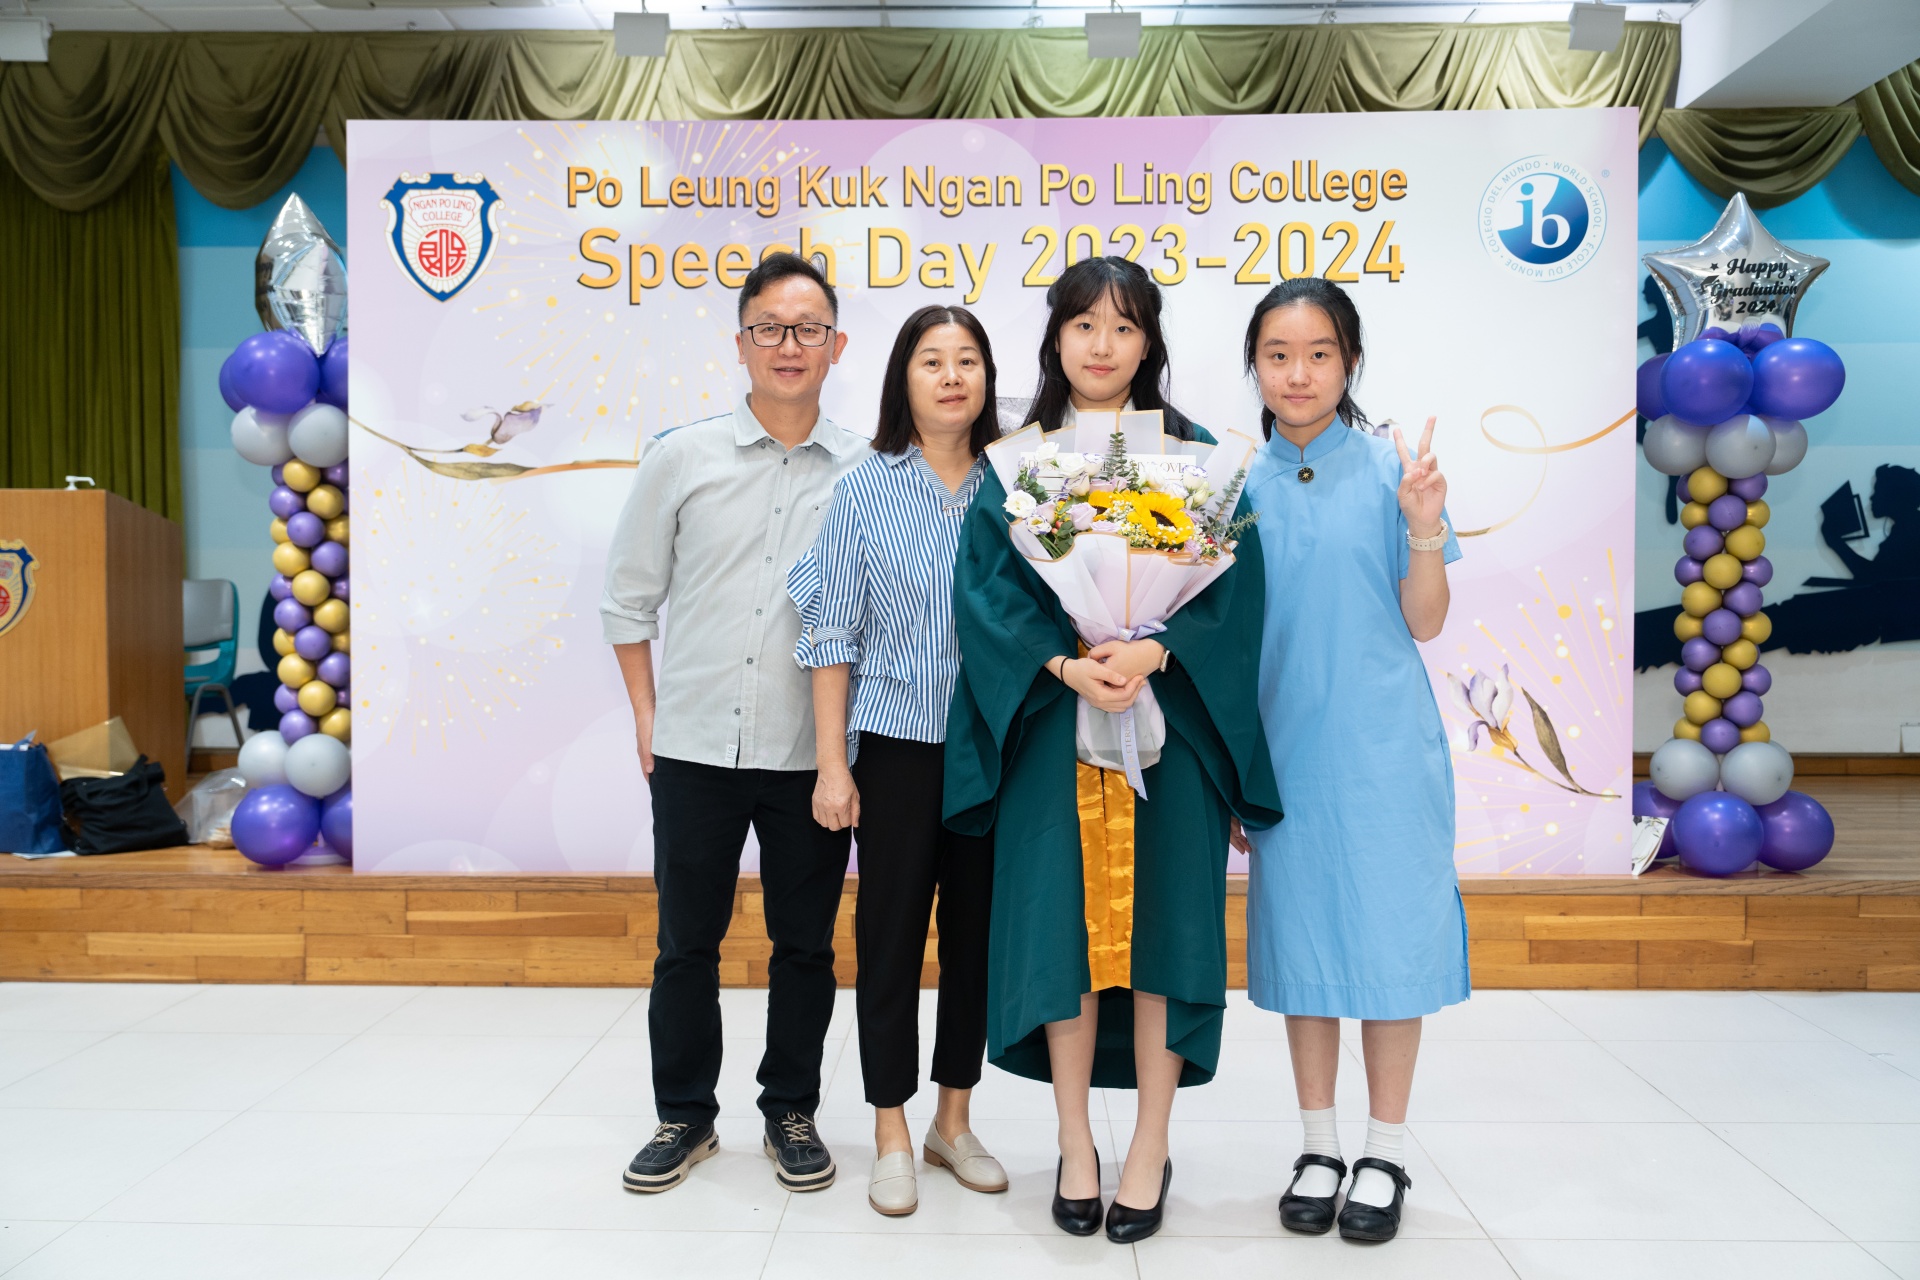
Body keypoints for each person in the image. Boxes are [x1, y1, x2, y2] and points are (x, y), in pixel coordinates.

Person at [945, 256, 1282, 1244]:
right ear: (1055, 338)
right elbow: (986, 595)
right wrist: (1062, 664)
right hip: (1055, 728)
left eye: (1124, 326)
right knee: (1062, 931)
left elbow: (1235, 596)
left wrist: (1155, 649)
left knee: (1167, 929)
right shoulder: (1018, 462)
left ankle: (1148, 1144)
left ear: (1150, 342)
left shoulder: (1198, 461)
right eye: (1084, 325)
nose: (1102, 345)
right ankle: (1073, 1143)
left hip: (1168, 731)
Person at [600, 252, 864, 1196]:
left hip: (811, 754)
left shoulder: (868, 471)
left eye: (808, 330)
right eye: (769, 329)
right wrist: (647, 716)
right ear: (741, 342)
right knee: (686, 946)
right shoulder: (682, 457)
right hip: (694, 747)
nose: (789, 346)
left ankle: (791, 1109)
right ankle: (684, 1116)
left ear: (837, 346)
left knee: (806, 947)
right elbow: (628, 599)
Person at [1236, 276, 1465, 1245]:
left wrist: (1422, 524)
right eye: (1279, 355)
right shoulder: (1232, 486)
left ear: (1351, 363)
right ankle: (1320, 1145)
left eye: (1320, 354)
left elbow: (1426, 619)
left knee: (1387, 946)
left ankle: (1385, 1149)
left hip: (1382, 752)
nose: (1299, 373)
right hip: (1286, 755)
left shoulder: (1391, 471)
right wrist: (1236, 770)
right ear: (1256, 366)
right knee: (1306, 949)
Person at [788, 304, 1009, 1218]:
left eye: (967, 360)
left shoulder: (1019, 484)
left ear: (988, 377)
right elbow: (831, 632)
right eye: (931, 361)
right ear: (902, 380)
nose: (952, 376)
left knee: (977, 942)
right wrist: (832, 766)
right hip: (895, 750)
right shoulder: (864, 489)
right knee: (889, 939)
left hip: (995, 748)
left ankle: (953, 1121)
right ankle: (890, 1128)